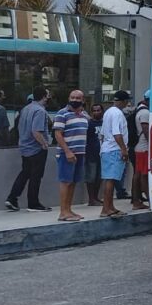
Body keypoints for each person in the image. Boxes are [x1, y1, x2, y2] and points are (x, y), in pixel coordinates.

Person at [6, 87, 53, 212]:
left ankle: (12, 198)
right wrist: (44, 144)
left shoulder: (26, 109)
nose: (49, 97)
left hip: (24, 146)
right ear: (44, 96)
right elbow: (36, 131)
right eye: (48, 95)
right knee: (36, 176)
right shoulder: (40, 111)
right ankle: (33, 203)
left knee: (25, 173)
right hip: (36, 148)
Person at [53, 90, 89, 222]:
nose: (75, 100)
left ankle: (69, 209)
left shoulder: (85, 115)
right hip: (66, 153)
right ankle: (63, 212)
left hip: (80, 153)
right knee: (66, 182)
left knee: (73, 182)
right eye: (73, 97)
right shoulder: (62, 114)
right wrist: (67, 151)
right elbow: (58, 134)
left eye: (78, 98)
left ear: (83, 100)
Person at [99, 90, 131, 218]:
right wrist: (123, 149)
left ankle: (110, 207)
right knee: (110, 180)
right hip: (114, 149)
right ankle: (106, 209)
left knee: (110, 179)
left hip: (107, 148)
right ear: (123, 101)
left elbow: (102, 134)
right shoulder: (117, 113)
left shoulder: (108, 112)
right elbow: (117, 133)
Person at [130, 91, 151, 210]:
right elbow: (146, 130)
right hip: (143, 148)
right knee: (143, 175)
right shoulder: (145, 113)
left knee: (138, 174)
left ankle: (136, 200)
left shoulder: (139, 110)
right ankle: (148, 199)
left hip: (139, 147)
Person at [84, 103, 105, 207]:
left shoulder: (105, 123)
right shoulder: (89, 124)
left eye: (98, 110)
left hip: (102, 153)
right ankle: (91, 199)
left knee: (99, 177)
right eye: (94, 110)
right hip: (91, 153)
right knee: (91, 177)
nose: (97, 112)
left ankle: (96, 197)